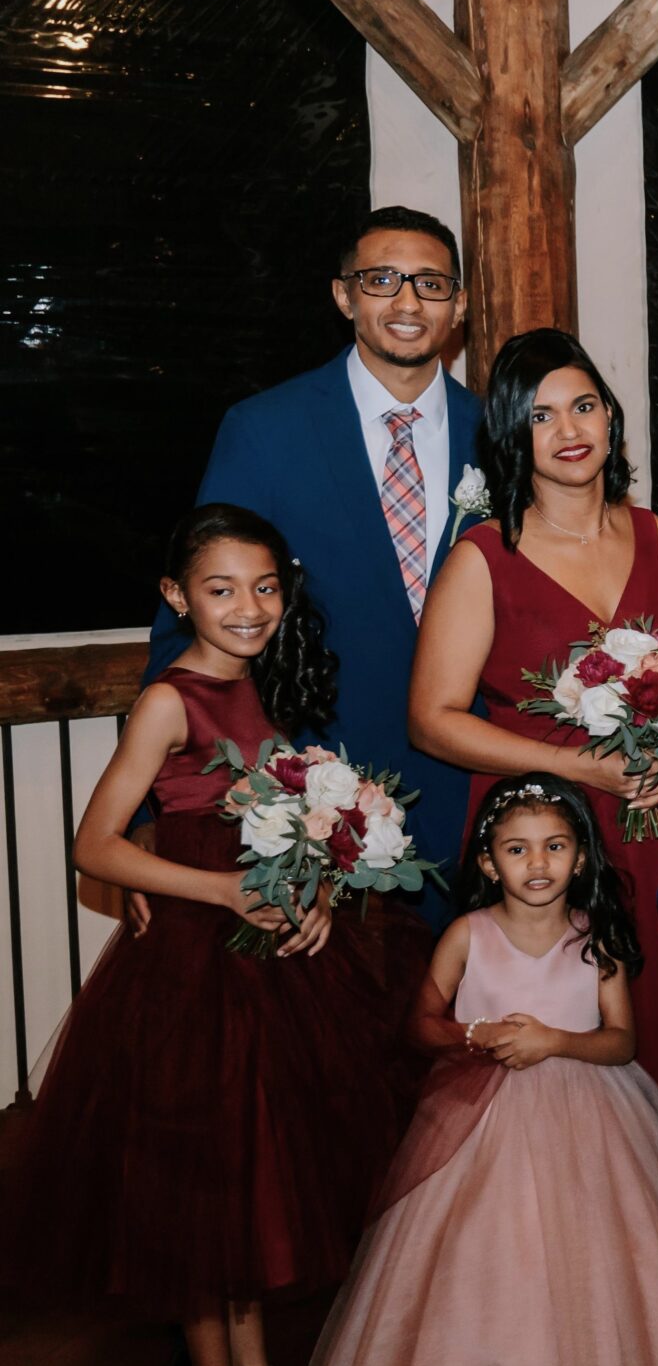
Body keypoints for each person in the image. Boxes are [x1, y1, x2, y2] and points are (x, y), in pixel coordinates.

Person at [0, 507, 428, 1366]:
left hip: (273, 968)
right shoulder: (170, 698)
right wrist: (216, 889)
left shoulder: (266, 690)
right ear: (176, 597)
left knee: (255, 1181)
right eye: (222, 588)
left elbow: (294, 824)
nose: (248, 607)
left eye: (266, 586)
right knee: (199, 1192)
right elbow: (96, 844)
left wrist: (319, 889)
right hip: (196, 970)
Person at [305, 776, 658, 1366]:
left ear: (581, 858)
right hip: (482, 1116)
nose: (538, 864)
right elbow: (421, 1024)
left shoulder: (598, 938)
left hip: (589, 1116)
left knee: (584, 1258)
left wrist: (554, 1040)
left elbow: (621, 1040)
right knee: (499, 1260)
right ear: (490, 861)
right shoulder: (469, 934)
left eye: (555, 846)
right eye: (518, 849)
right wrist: (478, 1036)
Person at [409, 327, 658, 1136]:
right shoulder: (483, 557)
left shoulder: (654, 535)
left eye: (585, 406)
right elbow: (431, 720)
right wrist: (580, 767)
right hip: (542, 835)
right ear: (513, 434)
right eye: (543, 416)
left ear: (611, 419)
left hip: (657, 824)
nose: (571, 430)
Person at [155, 205, 478, 926]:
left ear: (459, 305)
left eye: (430, 283)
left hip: (475, 796)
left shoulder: (501, 436)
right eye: (382, 279)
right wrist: (164, 809)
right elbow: (190, 623)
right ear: (344, 296)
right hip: (311, 799)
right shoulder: (265, 430)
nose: (405, 301)